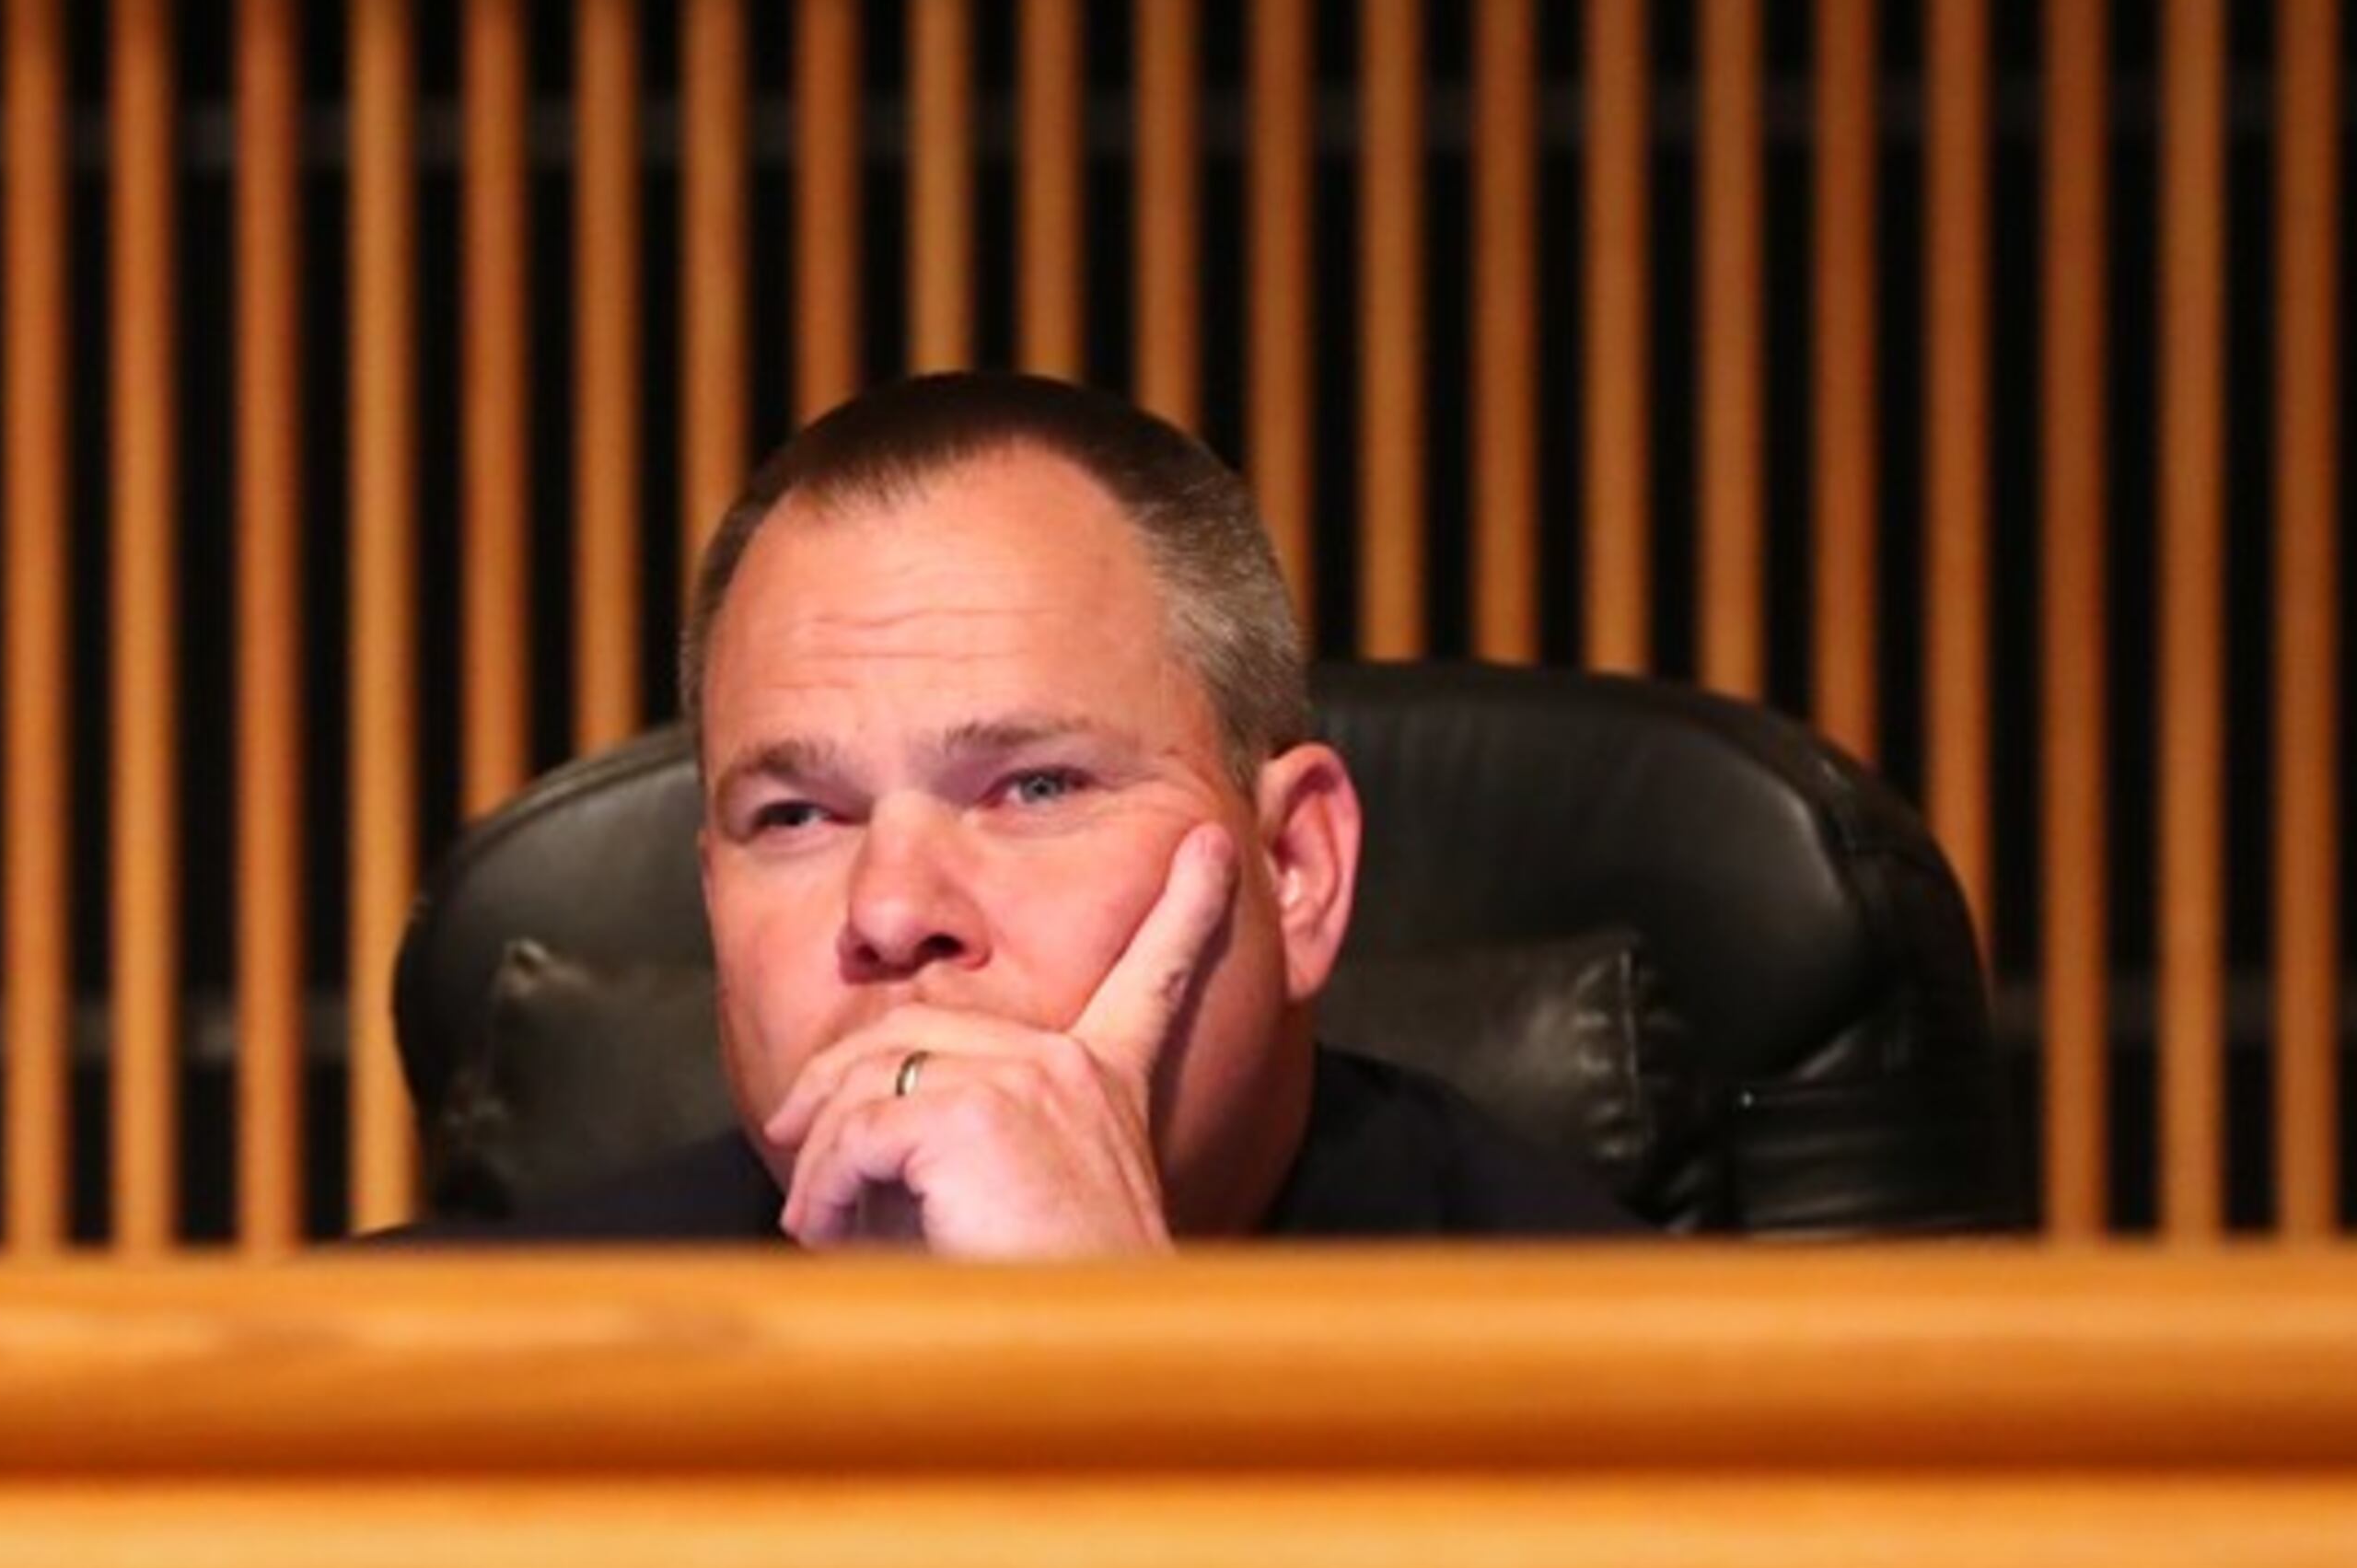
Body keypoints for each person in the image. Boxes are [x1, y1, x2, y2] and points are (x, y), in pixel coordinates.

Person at [411, 372, 1631, 1250]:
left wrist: (1093, 1360)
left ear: (1296, 868)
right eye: (794, 818)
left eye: (1035, 788)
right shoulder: (427, 1388)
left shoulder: (1654, 1396)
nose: (890, 911)